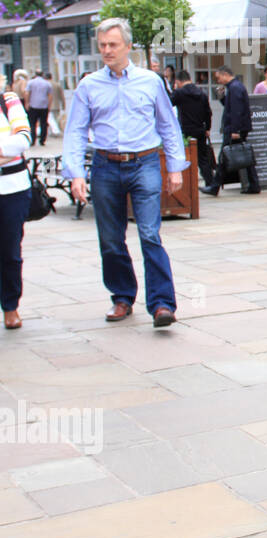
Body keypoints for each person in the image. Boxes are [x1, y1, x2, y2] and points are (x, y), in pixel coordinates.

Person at [63, 18, 188, 327]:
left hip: (144, 162)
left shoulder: (150, 81)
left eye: (112, 45)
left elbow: (168, 126)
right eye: (102, 45)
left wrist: (175, 167)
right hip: (105, 165)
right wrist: (76, 173)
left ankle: (162, 304)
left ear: (128, 46)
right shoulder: (89, 85)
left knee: (149, 233)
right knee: (110, 238)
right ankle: (122, 297)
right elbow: (76, 131)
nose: (106, 50)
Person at [200, 65, 259, 196]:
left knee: (224, 156)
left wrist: (235, 130)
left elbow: (237, 111)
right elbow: (230, 106)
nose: (218, 80)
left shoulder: (235, 87)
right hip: (236, 127)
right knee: (244, 155)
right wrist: (222, 97)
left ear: (225, 74)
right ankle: (254, 184)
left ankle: (214, 187)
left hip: (235, 128)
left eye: (219, 77)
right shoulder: (234, 87)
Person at [0, 85, 32, 329]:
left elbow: (23, 138)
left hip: (11, 189)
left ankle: (10, 306)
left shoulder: (8, 99)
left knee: (9, 251)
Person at [172, 70, 215, 187]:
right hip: (200, 129)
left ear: (178, 81)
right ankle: (210, 183)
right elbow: (208, 113)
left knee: (185, 158)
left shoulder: (179, 93)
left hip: (185, 131)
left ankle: (187, 185)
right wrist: (207, 128)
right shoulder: (201, 93)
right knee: (203, 159)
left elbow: (168, 104)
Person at [24, 70, 52, 147]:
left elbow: (27, 93)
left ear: (35, 74)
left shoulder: (31, 82)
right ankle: (42, 140)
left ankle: (32, 140)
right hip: (43, 106)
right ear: (42, 74)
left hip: (33, 105)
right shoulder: (47, 83)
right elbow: (50, 95)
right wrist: (49, 105)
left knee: (32, 123)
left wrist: (27, 103)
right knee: (43, 123)